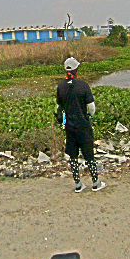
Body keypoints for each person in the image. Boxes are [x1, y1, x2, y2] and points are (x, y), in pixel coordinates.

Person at [56, 57, 106, 192]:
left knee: (73, 156)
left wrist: (64, 123)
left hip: (69, 127)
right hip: (83, 125)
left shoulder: (60, 86)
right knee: (89, 154)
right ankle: (96, 183)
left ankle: (78, 184)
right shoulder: (83, 85)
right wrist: (89, 117)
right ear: (76, 69)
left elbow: (60, 107)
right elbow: (91, 107)